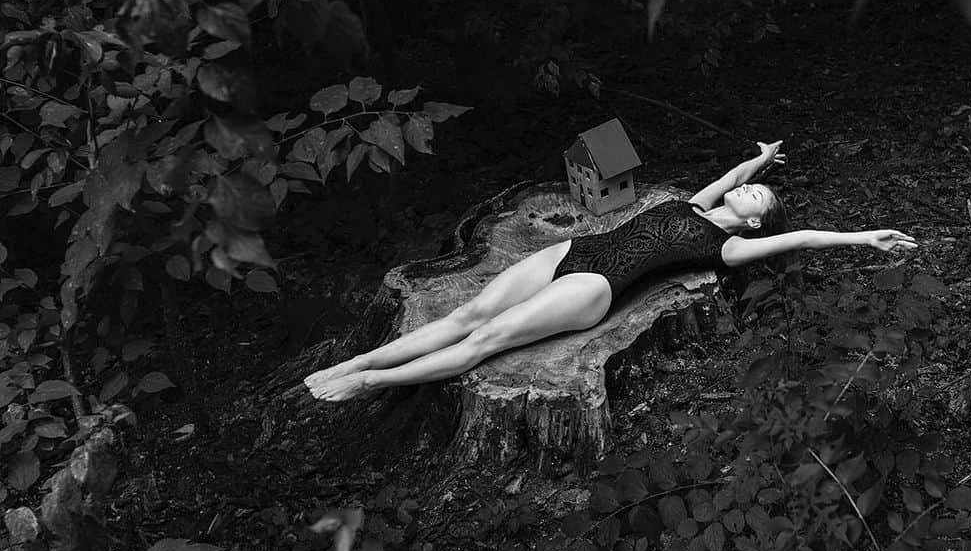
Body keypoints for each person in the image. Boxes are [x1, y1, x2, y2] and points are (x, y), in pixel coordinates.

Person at [304, 140, 917, 402]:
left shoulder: (727, 249)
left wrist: (864, 236)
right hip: (572, 254)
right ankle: (358, 361)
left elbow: (803, 237)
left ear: (757, 225)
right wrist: (756, 161)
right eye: (755, 188)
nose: (752, 191)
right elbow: (732, 178)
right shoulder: (699, 203)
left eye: (760, 195)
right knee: (466, 313)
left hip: (593, 288)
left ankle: (371, 384)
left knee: (482, 344)